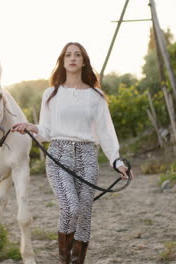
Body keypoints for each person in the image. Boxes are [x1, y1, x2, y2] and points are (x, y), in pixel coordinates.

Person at [11, 42, 135, 264]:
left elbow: (106, 132)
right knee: (71, 207)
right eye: (68, 55)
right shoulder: (51, 94)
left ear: (84, 61)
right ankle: (63, 261)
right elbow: (46, 130)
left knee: (84, 214)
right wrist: (32, 127)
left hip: (88, 156)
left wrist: (116, 161)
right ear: (63, 61)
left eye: (77, 55)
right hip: (59, 155)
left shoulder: (96, 96)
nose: (73, 58)